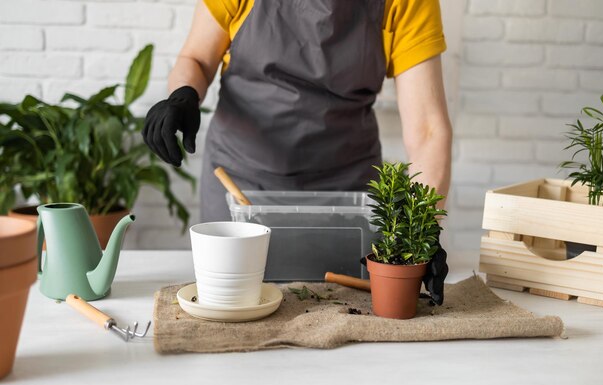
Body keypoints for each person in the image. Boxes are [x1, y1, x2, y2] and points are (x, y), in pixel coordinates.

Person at [142, 0, 452, 303]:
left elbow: (427, 131)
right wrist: (184, 94)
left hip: (345, 197)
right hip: (240, 184)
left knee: (345, 306)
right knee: (233, 303)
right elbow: (196, 58)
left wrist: (422, 230)